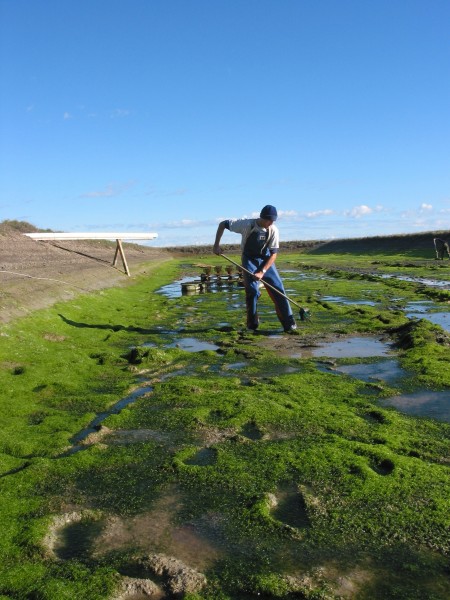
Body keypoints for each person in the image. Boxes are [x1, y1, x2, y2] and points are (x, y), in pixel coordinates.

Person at [213, 204, 297, 332]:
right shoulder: (246, 224)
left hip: (266, 261)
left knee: (278, 288)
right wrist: (216, 245)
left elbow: (273, 254)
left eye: (273, 221)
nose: (270, 223)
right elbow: (222, 224)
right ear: (262, 217)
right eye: (269, 220)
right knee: (252, 291)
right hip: (249, 260)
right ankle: (252, 323)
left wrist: (262, 271)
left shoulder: (273, 230)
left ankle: (289, 323)